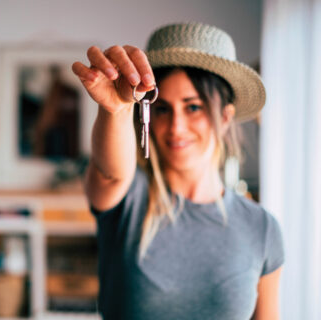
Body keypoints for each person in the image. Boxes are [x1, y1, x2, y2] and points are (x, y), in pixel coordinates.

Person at [72, 23, 284, 320]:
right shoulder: (130, 199)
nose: (176, 127)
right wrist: (116, 110)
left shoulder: (262, 229)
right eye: (162, 109)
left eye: (193, 107)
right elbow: (110, 173)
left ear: (225, 116)